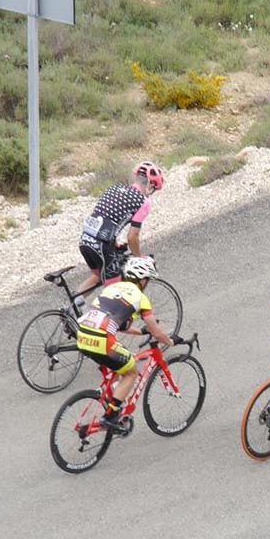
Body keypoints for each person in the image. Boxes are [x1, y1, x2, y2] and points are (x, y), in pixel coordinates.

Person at [75, 256, 181, 433]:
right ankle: (109, 417)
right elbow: (157, 331)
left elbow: (120, 324)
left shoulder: (112, 288)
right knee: (131, 372)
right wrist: (170, 341)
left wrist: (142, 332)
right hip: (102, 339)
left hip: (83, 334)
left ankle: (111, 401)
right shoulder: (141, 298)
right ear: (143, 279)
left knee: (115, 367)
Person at [76, 160, 165, 304]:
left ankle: (69, 313)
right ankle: (97, 320)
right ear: (150, 185)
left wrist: (115, 242)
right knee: (115, 297)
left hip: (86, 240)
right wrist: (139, 258)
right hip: (101, 244)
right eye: (154, 189)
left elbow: (107, 216)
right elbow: (132, 237)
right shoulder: (143, 201)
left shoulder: (116, 188)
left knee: (97, 276)